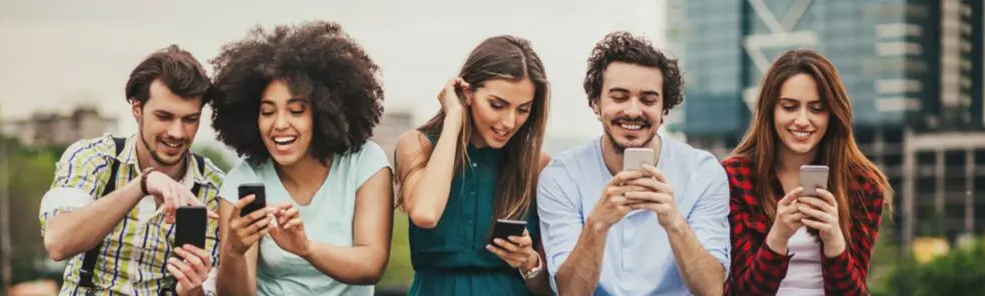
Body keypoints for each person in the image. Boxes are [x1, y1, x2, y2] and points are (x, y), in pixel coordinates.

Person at [537, 31, 730, 296]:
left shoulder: (703, 173)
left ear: (664, 108)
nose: (633, 111)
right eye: (619, 97)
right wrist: (597, 224)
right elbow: (570, 292)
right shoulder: (561, 176)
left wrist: (674, 222)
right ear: (596, 103)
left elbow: (711, 289)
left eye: (648, 100)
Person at [210, 21, 393, 296]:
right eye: (267, 112)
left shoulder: (364, 162)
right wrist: (234, 252)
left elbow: (371, 265)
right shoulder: (245, 179)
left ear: (323, 112)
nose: (280, 124)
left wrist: (304, 248)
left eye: (296, 110)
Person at [38, 45, 224, 296]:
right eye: (164, 116)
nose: (177, 132)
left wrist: (192, 291)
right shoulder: (93, 158)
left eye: (190, 119)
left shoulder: (214, 188)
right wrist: (143, 184)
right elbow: (58, 242)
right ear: (137, 109)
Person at [721, 49, 893, 295]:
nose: (802, 120)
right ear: (770, 110)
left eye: (817, 108)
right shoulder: (735, 177)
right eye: (789, 107)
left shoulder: (863, 184)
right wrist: (778, 236)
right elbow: (741, 291)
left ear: (833, 114)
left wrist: (834, 241)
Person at [393, 35, 554, 296]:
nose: (509, 122)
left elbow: (548, 289)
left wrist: (529, 262)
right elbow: (425, 212)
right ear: (467, 93)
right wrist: (453, 119)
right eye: (497, 105)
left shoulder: (538, 166)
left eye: (523, 109)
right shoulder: (417, 145)